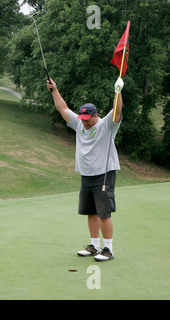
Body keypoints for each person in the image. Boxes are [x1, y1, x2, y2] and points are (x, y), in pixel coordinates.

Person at [47, 77, 124, 261]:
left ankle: (108, 250)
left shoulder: (106, 125)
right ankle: (94, 246)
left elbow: (117, 111)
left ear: (95, 116)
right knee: (91, 211)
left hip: (104, 175)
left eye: (87, 119)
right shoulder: (80, 124)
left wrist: (118, 92)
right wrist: (54, 90)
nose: (85, 123)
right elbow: (63, 108)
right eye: (82, 119)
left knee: (104, 213)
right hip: (86, 175)